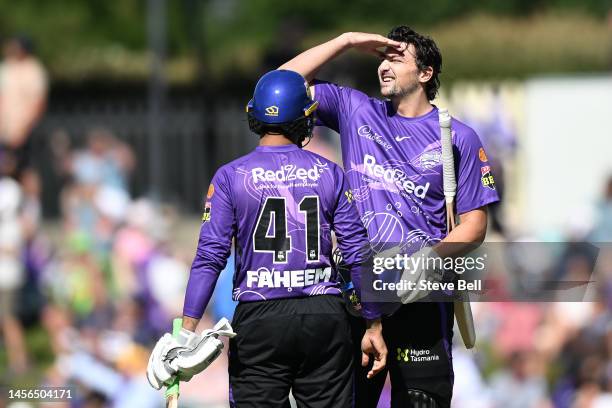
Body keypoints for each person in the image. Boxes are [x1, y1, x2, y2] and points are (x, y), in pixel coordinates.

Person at [280, 26, 500, 407]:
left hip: (422, 295)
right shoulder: (355, 109)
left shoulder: (458, 137)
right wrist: (345, 41)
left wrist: (431, 258)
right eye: (381, 58)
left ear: (426, 73)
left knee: (421, 400)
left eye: (396, 59)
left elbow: (475, 224)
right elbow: (279, 86)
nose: (383, 66)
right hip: (357, 293)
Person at [147, 70, 387, 407]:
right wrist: (373, 323)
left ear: (253, 115)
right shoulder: (331, 172)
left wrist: (186, 333)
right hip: (323, 316)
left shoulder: (230, 177)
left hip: (260, 318)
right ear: (305, 118)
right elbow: (358, 252)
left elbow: (209, 257)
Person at [0, 35, 47, 178]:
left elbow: (38, 103)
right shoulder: (6, 68)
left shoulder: (34, 70)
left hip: (25, 132)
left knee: (25, 170)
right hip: (5, 131)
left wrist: (24, 130)